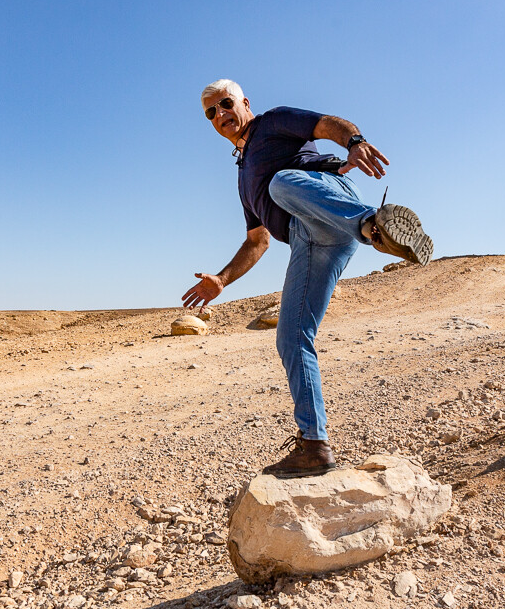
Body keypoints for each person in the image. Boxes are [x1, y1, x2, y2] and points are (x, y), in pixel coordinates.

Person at [182, 79, 432, 478]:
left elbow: (329, 123)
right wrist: (223, 280)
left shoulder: (273, 122)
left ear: (244, 102)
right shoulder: (244, 174)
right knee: (291, 336)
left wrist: (354, 142)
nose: (220, 115)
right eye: (211, 113)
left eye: (225, 104)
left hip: (331, 203)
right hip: (310, 239)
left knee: (282, 182)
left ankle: (375, 226)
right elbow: (258, 240)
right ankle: (314, 446)